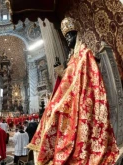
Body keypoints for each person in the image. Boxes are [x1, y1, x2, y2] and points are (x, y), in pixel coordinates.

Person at [27, 17, 119, 164]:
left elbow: (84, 78)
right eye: (66, 37)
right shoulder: (71, 58)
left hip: (82, 94)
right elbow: (69, 78)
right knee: (51, 109)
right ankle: (53, 147)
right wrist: (59, 71)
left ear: (77, 35)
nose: (67, 40)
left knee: (57, 109)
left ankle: (63, 147)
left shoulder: (85, 53)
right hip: (72, 92)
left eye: (69, 36)